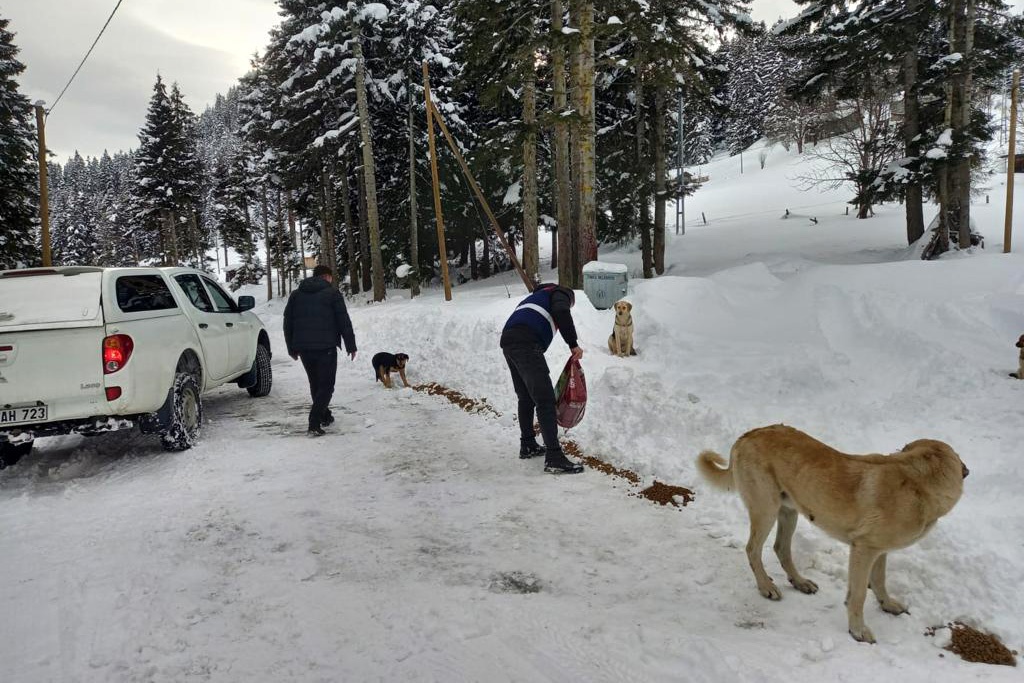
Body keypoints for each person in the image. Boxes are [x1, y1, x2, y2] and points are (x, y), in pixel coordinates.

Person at [500, 283, 585, 474]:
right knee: (545, 400)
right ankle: (554, 457)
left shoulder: (537, 297)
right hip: (527, 342)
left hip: (509, 340)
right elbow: (561, 311)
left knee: (526, 397)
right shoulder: (560, 293)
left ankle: (528, 444)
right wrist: (573, 344)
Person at [283, 265, 357, 437]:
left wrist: (291, 347)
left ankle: (325, 415)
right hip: (326, 348)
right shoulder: (332, 293)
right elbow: (343, 321)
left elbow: (288, 322)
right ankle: (314, 423)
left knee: (315, 383)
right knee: (326, 386)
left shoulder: (296, 295)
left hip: (304, 349)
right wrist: (351, 345)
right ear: (327, 277)